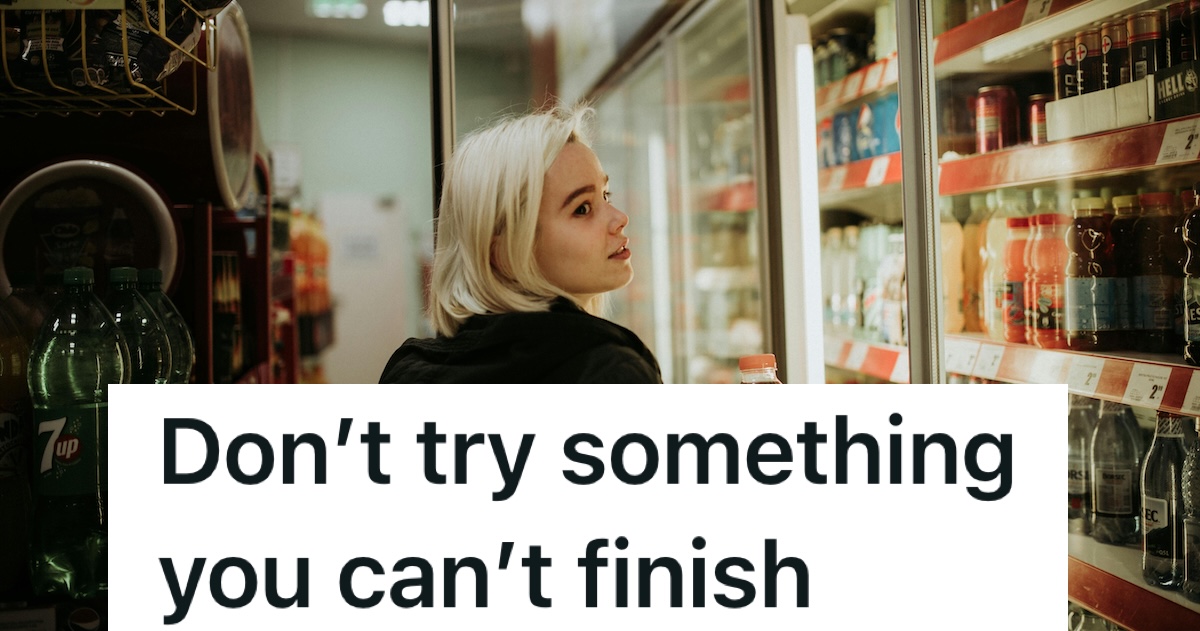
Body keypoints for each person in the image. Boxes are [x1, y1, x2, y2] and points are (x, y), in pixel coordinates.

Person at [379, 103, 662, 383]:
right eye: (582, 208)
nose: (620, 218)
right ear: (503, 251)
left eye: (606, 195)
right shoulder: (611, 372)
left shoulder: (407, 372)